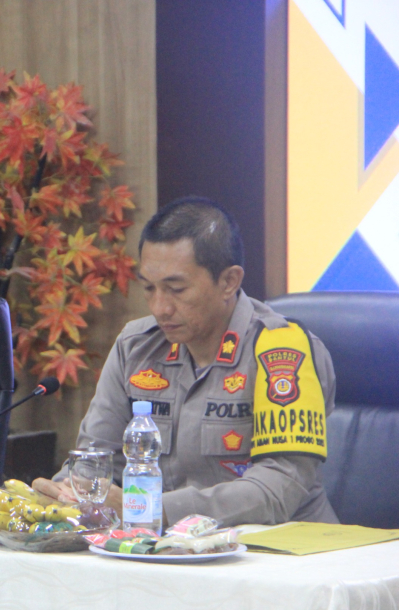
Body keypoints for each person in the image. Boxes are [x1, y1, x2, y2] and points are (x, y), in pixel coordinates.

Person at [34, 196, 338, 527]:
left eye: (176, 289)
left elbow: (277, 491)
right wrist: (66, 493)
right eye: (149, 288)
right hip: (168, 546)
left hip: (278, 548)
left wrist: (152, 508)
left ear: (229, 282)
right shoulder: (136, 347)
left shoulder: (282, 353)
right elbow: (95, 460)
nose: (159, 308)